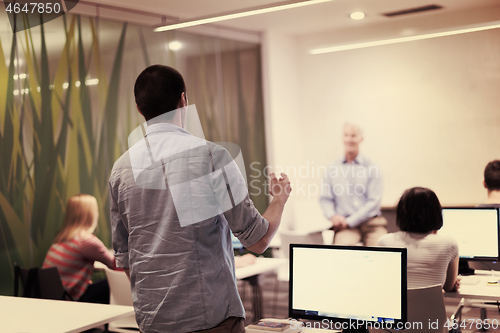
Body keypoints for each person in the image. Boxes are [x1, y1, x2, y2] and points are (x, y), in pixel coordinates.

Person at [109, 65, 291, 333]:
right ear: (184, 101)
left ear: (139, 109)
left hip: (153, 323)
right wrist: (279, 199)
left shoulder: (121, 169)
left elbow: (124, 257)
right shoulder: (210, 157)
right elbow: (258, 240)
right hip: (211, 320)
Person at [378, 187, 460, 292]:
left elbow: (382, 282)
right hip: (431, 308)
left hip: (394, 308)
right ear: (436, 213)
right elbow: (449, 287)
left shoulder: (384, 241)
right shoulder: (449, 244)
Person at [319, 123, 387, 246]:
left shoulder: (372, 167)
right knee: (341, 251)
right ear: (342, 138)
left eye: (353, 135)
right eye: (346, 135)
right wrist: (333, 216)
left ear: (361, 139)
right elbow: (325, 198)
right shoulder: (332, 168)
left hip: (372, 224)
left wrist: (350, 221)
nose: (349, 139)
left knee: (382, 250)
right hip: (346, 227)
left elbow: (374, 201)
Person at [43, 194, 116, 303]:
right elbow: (116, 265)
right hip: (70, 300)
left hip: (53, 297)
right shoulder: (85, 240)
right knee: (112, 282)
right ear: (91, 214)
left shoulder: (63, 237)